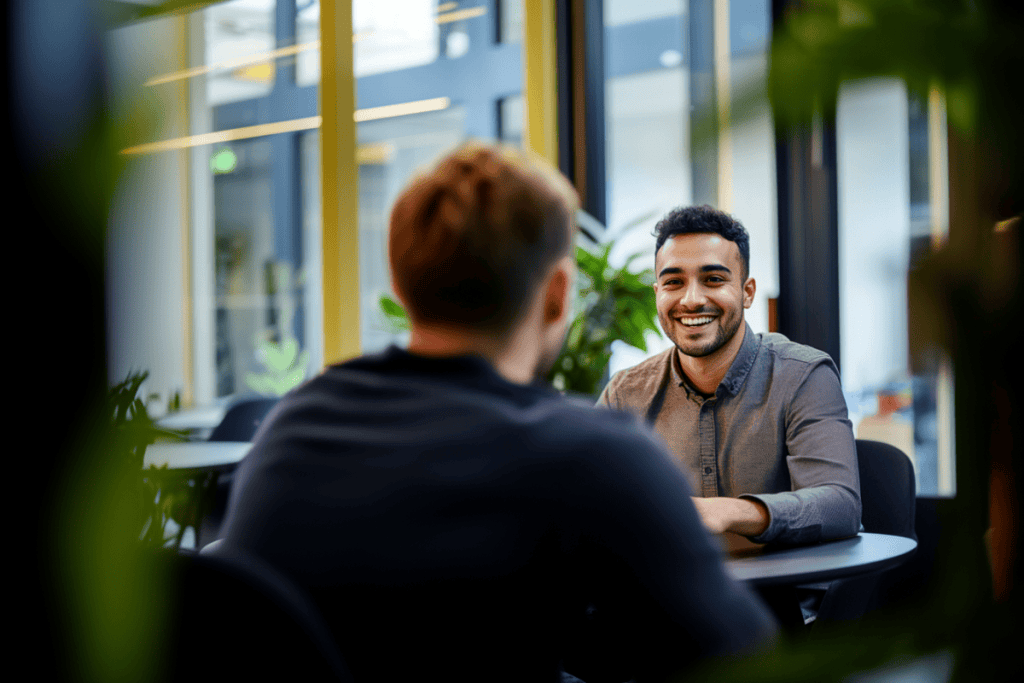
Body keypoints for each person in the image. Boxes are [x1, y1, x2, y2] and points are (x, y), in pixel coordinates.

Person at [218, 145, 775, 682]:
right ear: (558, 294)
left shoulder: (292, 428)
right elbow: (745, 661)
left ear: (401, 284)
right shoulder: (590, 455)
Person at [597, 205, 861, 548]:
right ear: (658, 294)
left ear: (747, 292)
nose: (691, 300)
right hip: (665, 597)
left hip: (776, 597)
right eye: (674, 282)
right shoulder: (625, 394)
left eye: (713, 280)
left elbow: (840, 506)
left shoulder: (804, 376)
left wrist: (728, 513)